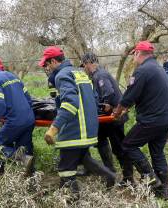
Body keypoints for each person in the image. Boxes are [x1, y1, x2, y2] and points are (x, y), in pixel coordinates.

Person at [38, 46, 116, 198]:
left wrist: (54, 128)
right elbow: (93, 98)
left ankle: (74, 200)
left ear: (53, 61)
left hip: (75, 129)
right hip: (89, 126)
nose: (46, 68)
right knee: (83, 159)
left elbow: (70, 104)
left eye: (46, 65)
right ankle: (109, 175)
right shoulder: (78, 72)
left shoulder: (62, 75)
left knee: (66, 168)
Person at [113, 41, 168, 200]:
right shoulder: (158, 68)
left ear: (138, 53)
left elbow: (129, 95)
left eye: (134, 54)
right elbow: (147, 93)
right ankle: (163, 191)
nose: (133, 57)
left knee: (128, 145)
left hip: (152, 120)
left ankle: (151, 178)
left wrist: (118, 111)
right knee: (157, 153)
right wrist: (129, 106)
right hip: (167, 118)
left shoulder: (142, 71)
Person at [81, 52, 134, 186]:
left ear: (89, 63)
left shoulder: (100, 75)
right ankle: (110, 172)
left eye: (84, 65)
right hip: (107, 119)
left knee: (119, 147)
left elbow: (109, 94)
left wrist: (105, 104)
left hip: (114, 118)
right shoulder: (96, 75)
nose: (84, 69)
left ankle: (128, 178)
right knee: (100, 140)